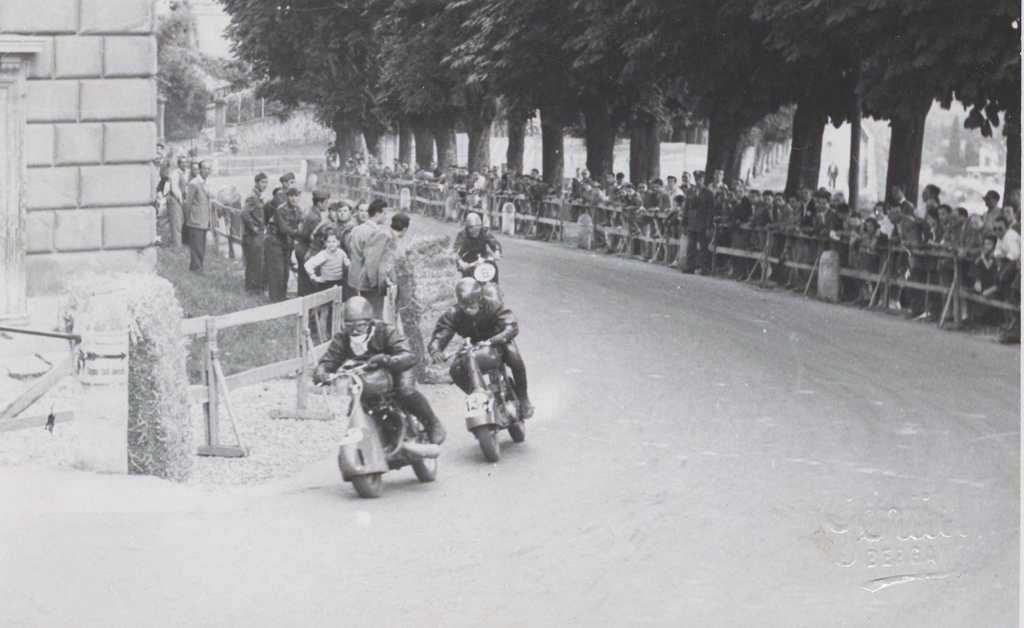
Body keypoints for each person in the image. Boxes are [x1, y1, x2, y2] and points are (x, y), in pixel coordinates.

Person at [314, 297, 446, 445]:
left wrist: (386, 360)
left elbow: (408, 356)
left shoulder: (385, 331)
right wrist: (322, 373)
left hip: (395, 369)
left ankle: (433, 424)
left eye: (360, 325)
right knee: (356, 406)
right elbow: (328, 360)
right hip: (365, 376)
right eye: (349, 325)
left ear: (369, 322)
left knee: (405, 391)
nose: (355, 330)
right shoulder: (342, 338)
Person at [427, 278, 534, 419]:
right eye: (463, 305)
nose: (468, 309)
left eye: (471, 304)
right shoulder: (453, 314)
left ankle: (524, 398)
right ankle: (479, 398)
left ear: (480, 299)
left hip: (497, 339)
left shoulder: (494, 305)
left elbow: (511, 325)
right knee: (456, 371)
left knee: (514, 357)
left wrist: (498, 338)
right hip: (473, 345)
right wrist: (436, 349)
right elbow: (442, 332)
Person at [348, 198, 389, 315]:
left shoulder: (356, 229)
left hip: (354, 280)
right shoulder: (376, 233)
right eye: (385, 213)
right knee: (374, 314)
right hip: (368, 283)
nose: (386, 217)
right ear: (378, 213)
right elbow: (372, 263)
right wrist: (377, 285)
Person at [265, 187, 302, 302]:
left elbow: (300, 223)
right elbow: (283, 228)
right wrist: (299, 233)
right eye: (291, 196)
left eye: (296, 196)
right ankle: (275, 299)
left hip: (287, 244)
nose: (294, 198)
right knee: (277, 271)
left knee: (285, 271)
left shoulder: (298, 210)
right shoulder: (281, 209)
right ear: (287, 197)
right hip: (275, 242)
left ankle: (282, 296)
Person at [183, 159, 213, 273]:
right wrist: (188, 220)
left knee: (201, 246)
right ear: (200, 169)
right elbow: (188, 203)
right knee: (197, 246)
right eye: (205, 168)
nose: (207, 171)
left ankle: (196, 267)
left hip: (204, 219)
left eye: (209, 168)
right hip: (195, 220)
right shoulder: (194, 183)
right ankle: (197, 269)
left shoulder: (206, 183)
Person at [241, 173, 269, 293]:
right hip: (253, 236)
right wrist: (254, 228)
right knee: (254, 262)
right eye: (262, 182)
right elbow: (244, 214)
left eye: (266, 182)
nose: (265, 185)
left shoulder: (259, 196)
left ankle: (253, 288)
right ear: (256, 182)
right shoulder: (253, 197)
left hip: (259, 235)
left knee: (257, 261)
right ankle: (252, 289)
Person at [454, 212, 503, 280]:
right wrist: (460, 262)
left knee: (493, 268)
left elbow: (494, 242)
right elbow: (456, 251)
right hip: (468, 261)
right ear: (468, 228)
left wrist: (497, 251)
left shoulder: (484, 231)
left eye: (478, 230)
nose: (476, 233)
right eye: (473, 230)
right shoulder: (462, 235)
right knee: (469, 282)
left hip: (483, 258)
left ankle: (494, 288)